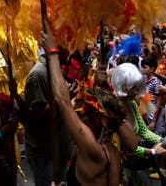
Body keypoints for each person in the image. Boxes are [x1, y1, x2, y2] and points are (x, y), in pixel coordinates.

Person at [41, 28, 139, 186]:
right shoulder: (111, 151)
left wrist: (52, 52)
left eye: (84, 113)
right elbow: (133, 143)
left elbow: (63, 101)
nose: (79, 115)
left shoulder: (93, 149)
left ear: (97, 119)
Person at [22, 51, 73, 185]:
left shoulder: (54, 71)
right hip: (45, 153)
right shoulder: (38, 75)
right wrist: (60, 99)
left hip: (59, 149)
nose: (70, 51)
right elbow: (35, 116)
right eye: (66, 46)